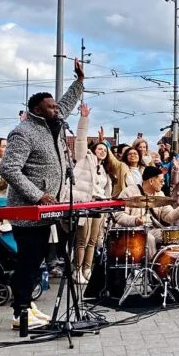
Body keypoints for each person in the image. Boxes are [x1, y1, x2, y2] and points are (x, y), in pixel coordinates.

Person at [0, 58, 84, 330]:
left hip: (48, 212)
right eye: (50, 106)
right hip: (28, 211)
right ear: (37, 109)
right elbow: (9, 169)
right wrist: (38, 195)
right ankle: (19, 312)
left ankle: (28, 305)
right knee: (28, 260)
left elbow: (67, 103)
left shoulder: (55, 125)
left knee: (38, 261)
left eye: (56, 105)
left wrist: (79, 82)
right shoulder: (23, 132)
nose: (56, 109)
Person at [71, 104, 113, 284]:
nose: (102, 151)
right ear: (94, 150)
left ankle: (88, 268)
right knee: (82, 239)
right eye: (99, 148)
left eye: (105, 149)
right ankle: (77, 269)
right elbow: (80, 142)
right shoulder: (85, 159)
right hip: (84, 204)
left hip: (99, 206)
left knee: (93, 240)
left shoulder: (104, 170)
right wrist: (84, 119)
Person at [113, 165, 179, 260]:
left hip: (151, 229)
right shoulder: (129, 192)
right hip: (132, 232)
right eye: (161, 181)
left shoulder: (160, 194)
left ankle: (169, 267)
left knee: (173, 235)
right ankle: (152, 268)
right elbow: (119, 215)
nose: (163, 183)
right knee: (149, 239)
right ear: (151, 181)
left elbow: (168, 216)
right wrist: (135, 220)